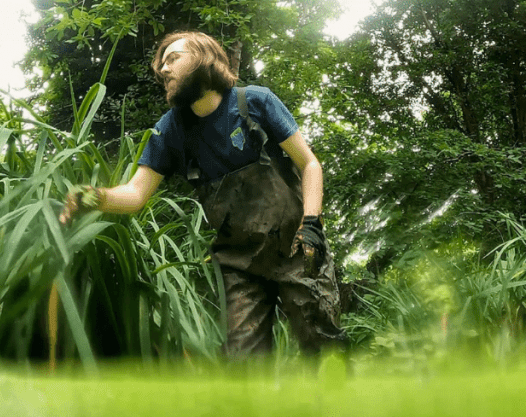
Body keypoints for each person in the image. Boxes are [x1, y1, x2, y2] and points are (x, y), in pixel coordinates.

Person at [59, 31, 346, 365]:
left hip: (297, 246)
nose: (163, 70)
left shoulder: (254, 102)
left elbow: (309, 163)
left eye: (173, 58)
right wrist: (91, 198)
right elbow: (136, 194)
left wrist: (311, 223)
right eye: (161, 64)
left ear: (205, 59)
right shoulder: (170, 130)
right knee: (241, 364)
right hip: (238, 262)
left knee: (323, 344)